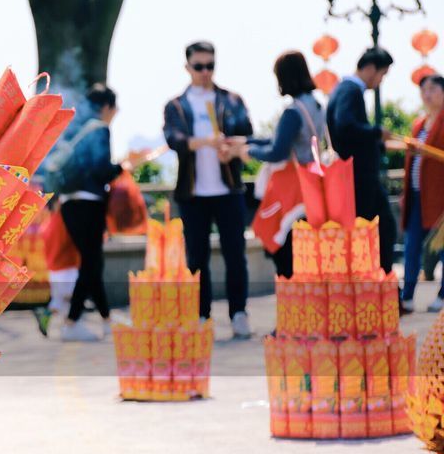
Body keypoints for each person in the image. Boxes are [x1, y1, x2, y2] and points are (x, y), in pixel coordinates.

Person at [162, 40, 254, 338]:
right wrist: (205, 142)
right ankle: (201, 316)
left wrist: (230, 145)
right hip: (194, 194)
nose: (205, 72)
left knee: (235, 254)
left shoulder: (231, 100)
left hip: (229, 190)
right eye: (199, 66)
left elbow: (247, 133)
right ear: (187, 67)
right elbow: (174, 139)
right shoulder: (177, 105)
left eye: (210, 65)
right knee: (196, 258)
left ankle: (239, 313)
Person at [57, 85, 141, 342]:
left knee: (93, 262)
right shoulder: (100, 129)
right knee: (91, 263)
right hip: (88, 202)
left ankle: (106, 320)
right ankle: (72, 322)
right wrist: (124, 166)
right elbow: (101, 169)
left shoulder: (76, 128)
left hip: (69, 202)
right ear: (107, 107)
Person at [241, 51, 326, 279]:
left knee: (286, 257)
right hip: (312, 187)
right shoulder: (316, 105)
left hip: (291, 190)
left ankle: (293, 309)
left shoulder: (293, 111)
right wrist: (246, 141)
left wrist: (249, 151)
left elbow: (277, 151)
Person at [327, 47, 398, 275]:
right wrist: (376, 132)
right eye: (382, 74)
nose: (380, 81)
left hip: (352, 179)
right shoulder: (351, 91)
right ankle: (383, 292)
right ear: (370, 69)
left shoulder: (341, 89)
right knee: (383, 230)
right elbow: (346, 126)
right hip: (360, 179)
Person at [400, 74, 444, 311]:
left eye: (432, 88)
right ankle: (406, 296)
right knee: (412, 246)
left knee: (442, 246)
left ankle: (443, 295)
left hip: (440, 196)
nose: (427, 94)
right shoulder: (418, 124)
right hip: (417, 195)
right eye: (423, 90)